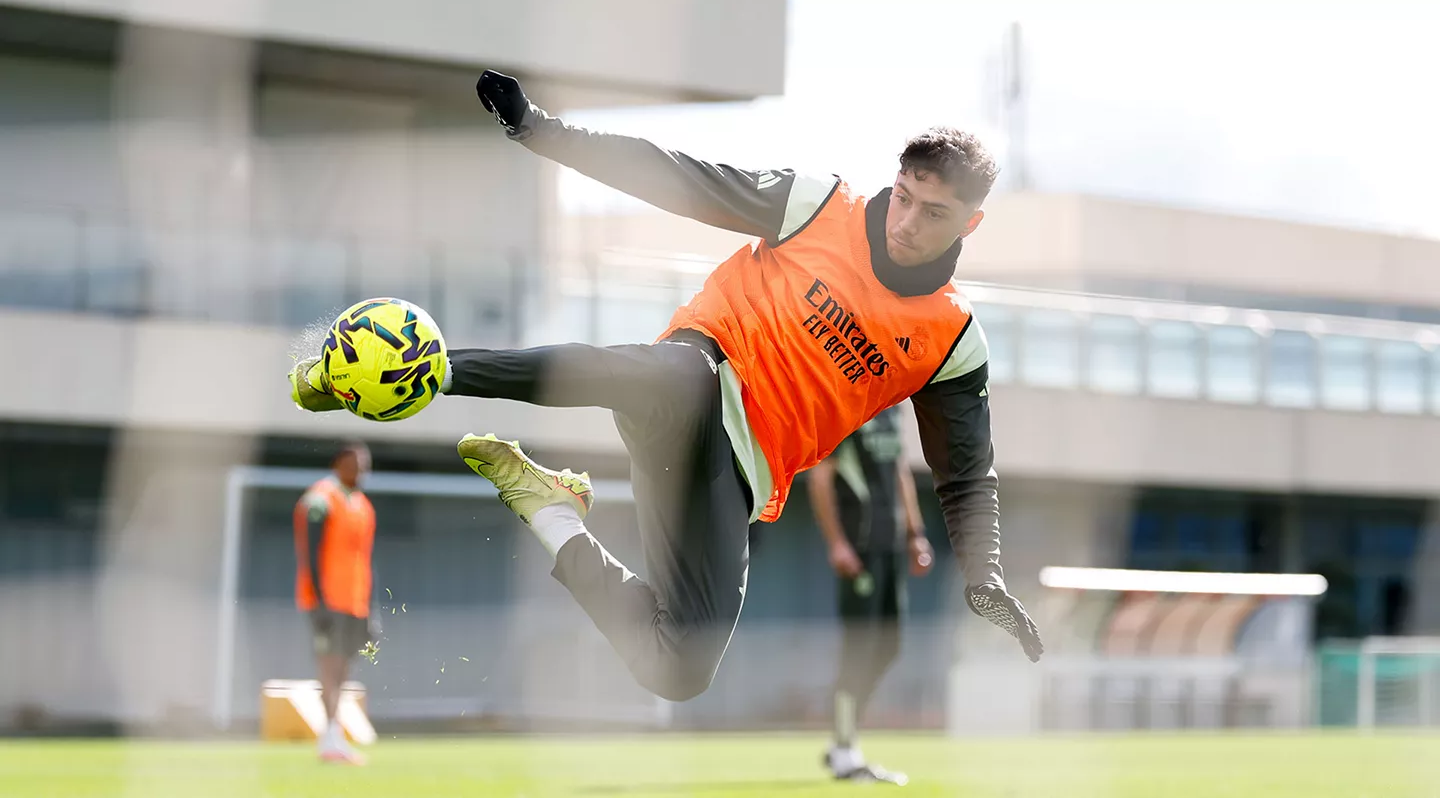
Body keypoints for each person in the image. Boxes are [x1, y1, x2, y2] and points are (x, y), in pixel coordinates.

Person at [289, 70, 1043, 704]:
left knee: (682, 669)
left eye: (933, 212)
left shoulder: (950, 340)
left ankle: (552, 513)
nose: (906, 220)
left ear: (970, 224)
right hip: (698, 372)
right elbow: (677, 178)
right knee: (670, 381)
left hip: (734, 472)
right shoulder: (820, 206)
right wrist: (539, 129)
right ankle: (441, 369)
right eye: (904, 193)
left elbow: (966, 476)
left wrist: (985, 574)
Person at [808, 407, 932, 783]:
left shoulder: (892, 411)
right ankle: (845, 750)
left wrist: (915, 533)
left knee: (889, 646)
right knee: (859, 649)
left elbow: (900, 472)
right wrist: (837, 543)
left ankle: (843, 739)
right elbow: (820, 478)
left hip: (891, 549)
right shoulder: (843, 410)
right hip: (858, 551)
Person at [293, 442, 376, 765]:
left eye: (366, 464)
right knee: (328, 666)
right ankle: (328, 739)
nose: (363, 470)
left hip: (354, 601)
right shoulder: (319, 499)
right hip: (327, 600)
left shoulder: (362, 504)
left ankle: (335, 736)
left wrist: (371, 609)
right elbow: (309, 553)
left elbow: (365, 560)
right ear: (339, 463)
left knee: (343, 669)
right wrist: (320, 599)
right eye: (357, 463)